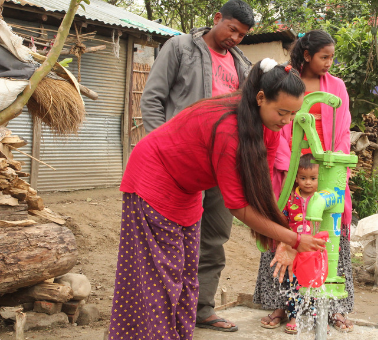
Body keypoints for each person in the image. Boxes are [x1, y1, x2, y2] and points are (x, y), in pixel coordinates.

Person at [108, 59, 326, 340]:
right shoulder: (228, 129)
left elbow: (262, 187)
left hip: (187, 189)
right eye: (282, 112)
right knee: (159, 280)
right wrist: (293, 238)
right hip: (154, 180)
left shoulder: (266, 127)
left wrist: (283, 235)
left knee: (186, 277)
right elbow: (238, 206)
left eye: (293, 114)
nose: (287, 121)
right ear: (261, 98)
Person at [140, 0, 254, 332]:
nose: (235, 38)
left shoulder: (240, 64)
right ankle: (167, 309)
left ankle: (202, 308)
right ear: (217, 18)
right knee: (174, 239)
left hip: (222, 165)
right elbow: (153, 98)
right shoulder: (180, 47)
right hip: (181, 165)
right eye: (232, 29)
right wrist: (161, 151)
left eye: (242, 35)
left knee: (215, 236)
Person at [254, 29, 355, 333]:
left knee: (332, 231)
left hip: (326, 169)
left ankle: (333, 309)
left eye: (332, 57)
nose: (329, 62)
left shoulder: (337, 86)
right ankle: (282, 306)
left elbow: (344, 129)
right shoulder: (286, 82)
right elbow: (277, 128)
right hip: (291, 168)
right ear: (307, 55)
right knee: (284, 226)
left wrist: (334, 169)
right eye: (324, 56)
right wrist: (287, 166)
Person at [276, 153, 320, 335]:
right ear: (296, 177)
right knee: (292, 285)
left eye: (313, 178)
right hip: (294, 250)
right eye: (303, 178)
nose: (308, 182)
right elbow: (283, 221)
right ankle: (293, 316)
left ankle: (318, 319)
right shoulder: (290, 198)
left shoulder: (321, 198)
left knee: (316, 286)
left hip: (314, 251)